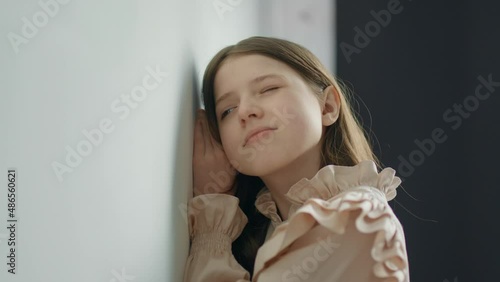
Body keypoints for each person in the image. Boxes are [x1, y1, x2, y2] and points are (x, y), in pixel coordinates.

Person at [184, 36, 409, 282]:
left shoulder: (358, 218)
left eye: (269, 89)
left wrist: (211, 226)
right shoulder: (257, 234)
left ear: (328, 108)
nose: (246, 111)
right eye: (227, 110)